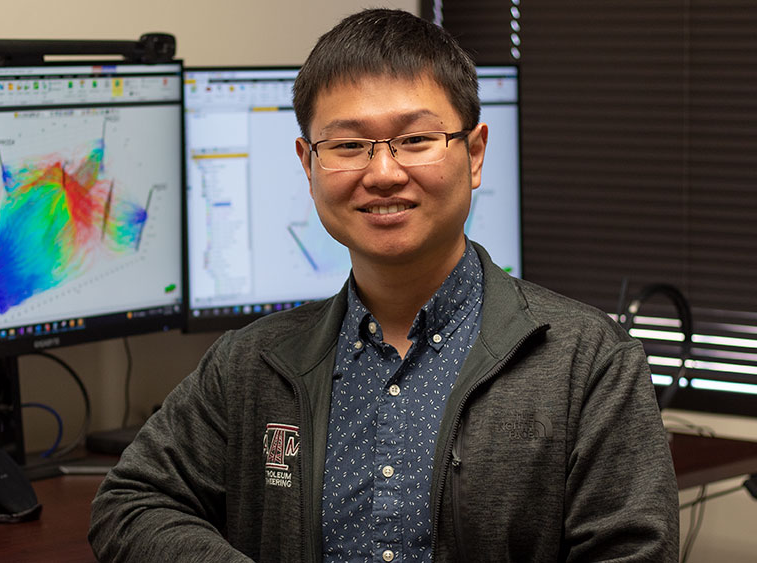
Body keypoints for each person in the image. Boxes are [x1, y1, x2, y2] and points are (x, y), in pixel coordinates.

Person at [89, 8, 678, 562]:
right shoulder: (251, 365)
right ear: (308, 164)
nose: (383, 173)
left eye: (416, 140)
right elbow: (131, 504)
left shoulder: (587, 363)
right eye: (348, 145)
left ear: (473, 154)